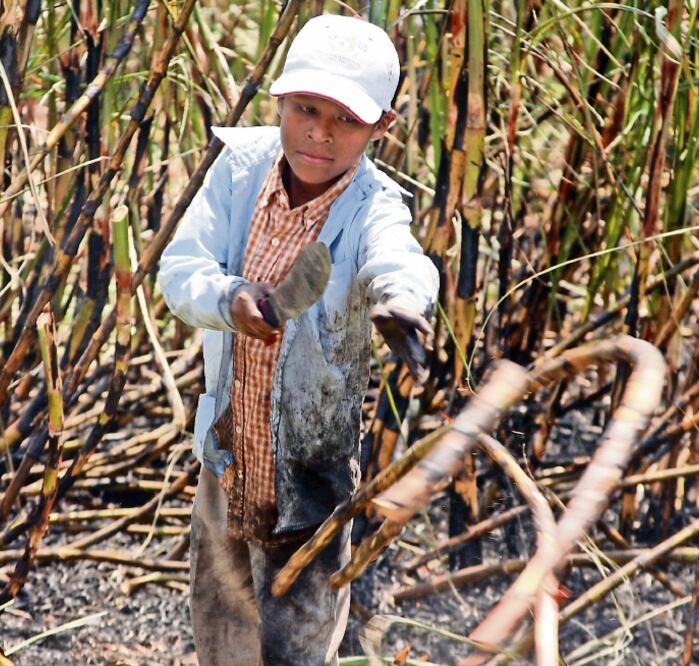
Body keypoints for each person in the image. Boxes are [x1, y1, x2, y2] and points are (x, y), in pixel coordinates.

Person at [158, 14, 439, 665]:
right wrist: (229, 299)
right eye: (306, 109)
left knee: (298, 641)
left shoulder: (373, 205)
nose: (320, 132)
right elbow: (181, 269)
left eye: (346, 119)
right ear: (280, 101)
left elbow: (397, 259)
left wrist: (400, 304)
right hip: (225, 453)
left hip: (310, 470)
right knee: (223, 622)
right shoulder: (239, 170)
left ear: (382, 127)